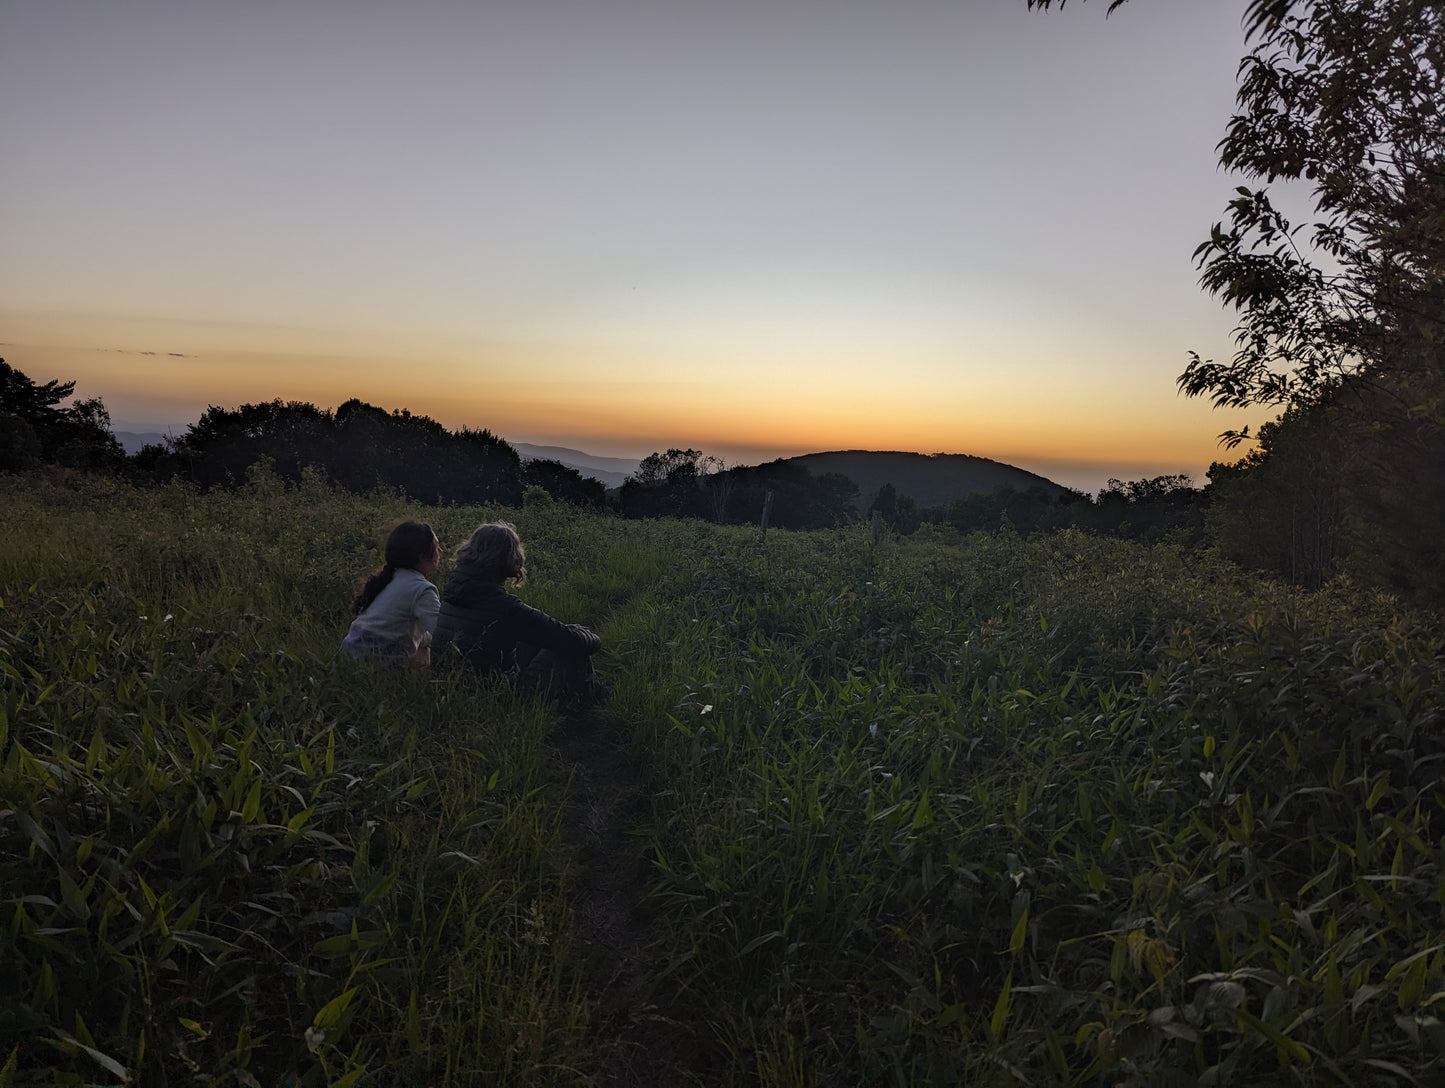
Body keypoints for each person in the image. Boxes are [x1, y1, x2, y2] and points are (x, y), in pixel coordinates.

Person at [433, 521, 605, 705]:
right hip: (499, 698)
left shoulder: (452, 592)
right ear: (509, 558)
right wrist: (587, 635)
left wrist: (568, 631)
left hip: (449, 691)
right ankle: (592, 701)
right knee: (566, 647)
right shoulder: (504, 607)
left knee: (537, 640)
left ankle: (584, 698)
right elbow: (571, 640)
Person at [341, 520, 441, 669]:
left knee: (423, 644)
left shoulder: (387, 579)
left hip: (349, 657)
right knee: (426, 652)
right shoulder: (422, 589)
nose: (440, 552)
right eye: (437, 547)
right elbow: (442, 633)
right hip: (381, 665)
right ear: (421, 556)